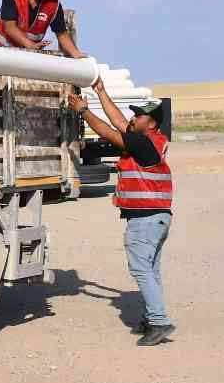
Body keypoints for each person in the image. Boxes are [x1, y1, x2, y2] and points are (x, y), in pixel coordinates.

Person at [67, 81, 175, 345]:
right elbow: (117, 121)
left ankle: (159, 322)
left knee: (141, 269)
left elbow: (108, 130)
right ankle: (153, 317)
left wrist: (84, 111)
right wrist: (100, 91)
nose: (132, 118)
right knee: (151, 270)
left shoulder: (143, 143)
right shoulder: (148, 140)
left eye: (138, 116)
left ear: (151, 124)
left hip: (146, 220)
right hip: (156, 218)